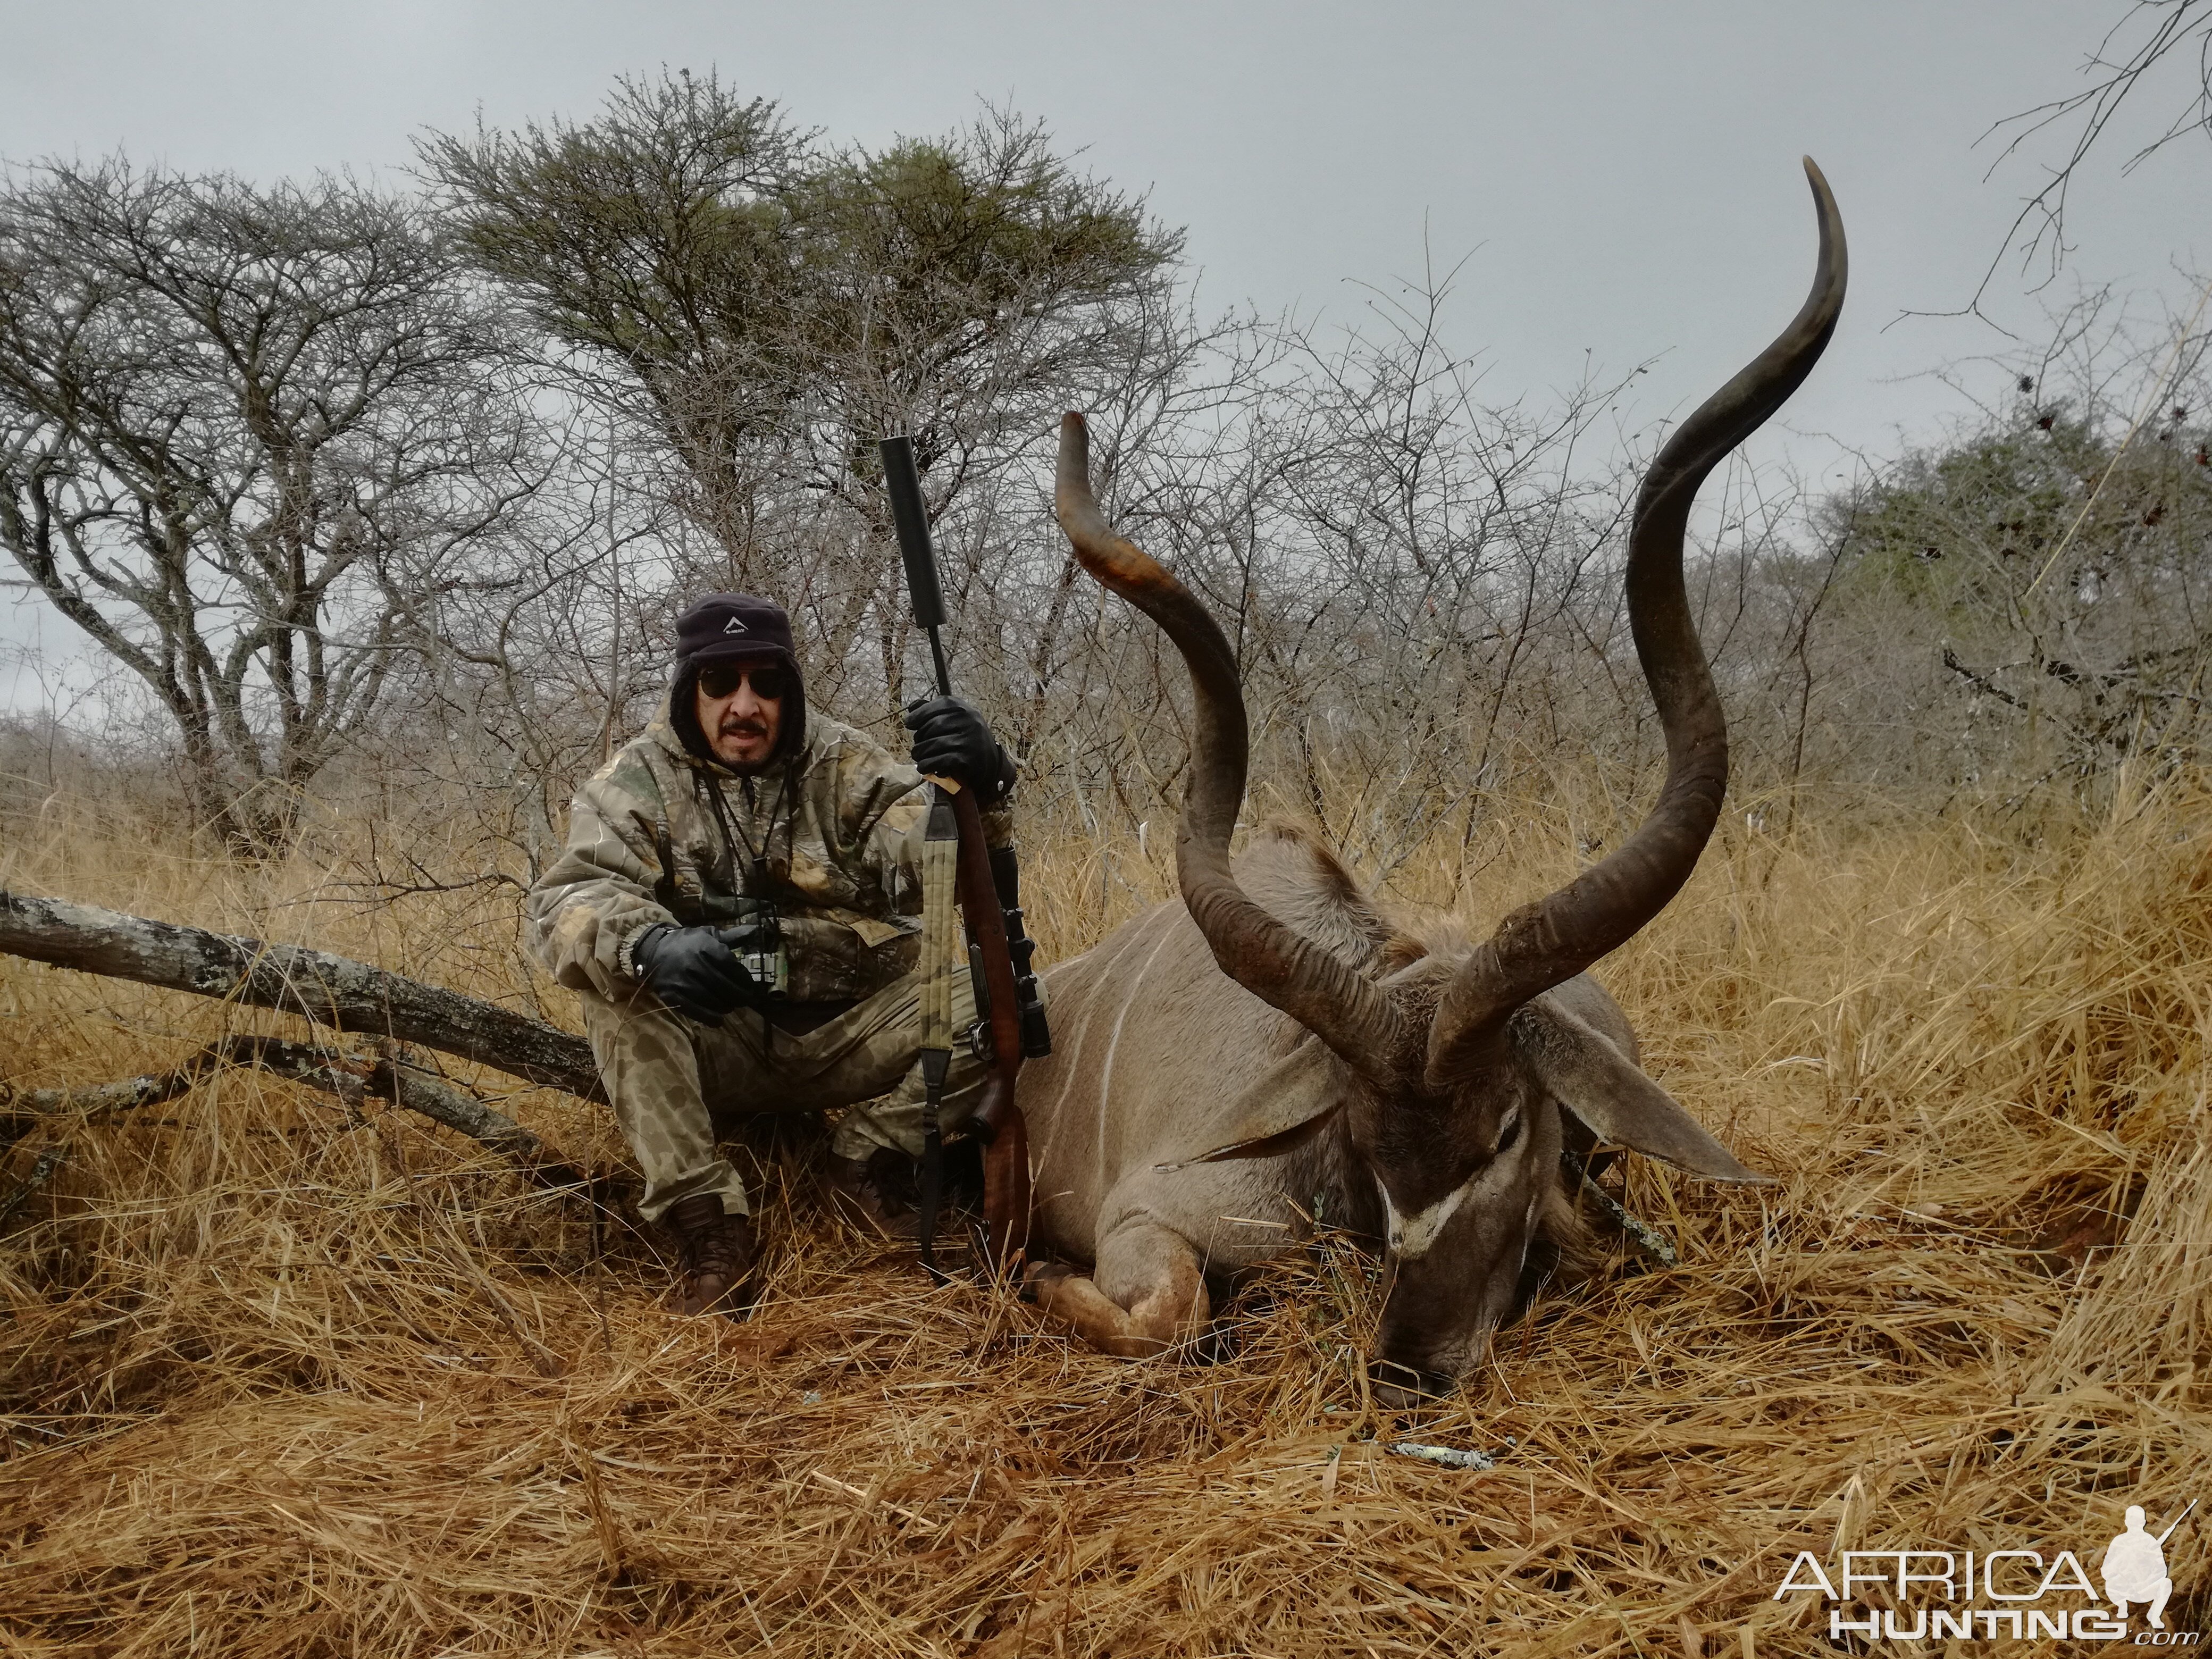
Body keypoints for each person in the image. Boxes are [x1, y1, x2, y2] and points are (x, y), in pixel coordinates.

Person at [527, 592, 1017, 1316]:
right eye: (720, 684)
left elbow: (932, 867)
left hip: (846, 1032)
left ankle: (870, 1160)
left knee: (1000, 990)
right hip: (720, 1041)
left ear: (790, 691)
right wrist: (653, 943)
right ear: (689, 690)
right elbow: (564, 905)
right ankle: (708, 1225)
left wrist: (982, 785)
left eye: (767, 683)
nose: (744, 706)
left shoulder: (845, 762)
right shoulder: (635, 781)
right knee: (616, 989)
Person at [2101, 1505, 2173, 1629]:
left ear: (2144, 1522)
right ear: (2127, 1522)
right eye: (2133, 1520)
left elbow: (2161, 1570)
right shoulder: (2119, 1542)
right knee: (2110, 1585)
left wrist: (2146, 1581)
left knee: (2166, 1584)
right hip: (2124, 1590)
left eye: (2138, 1520)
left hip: (2145, 1588)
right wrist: (2121, 1573)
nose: (2136, 1524)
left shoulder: (2150, 1541)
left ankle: (2155, 1615)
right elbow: (2106, 1570)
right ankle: (2123, 1607)